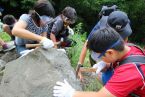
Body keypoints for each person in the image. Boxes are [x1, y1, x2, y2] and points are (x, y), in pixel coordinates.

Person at [53, 27, 145, 97]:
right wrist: (107, 64)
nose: (100, 60)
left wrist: (71, 93)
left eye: (100, 57)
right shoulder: (127, 47)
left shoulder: (130, 72)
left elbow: (101, 95)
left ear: (110, 52)